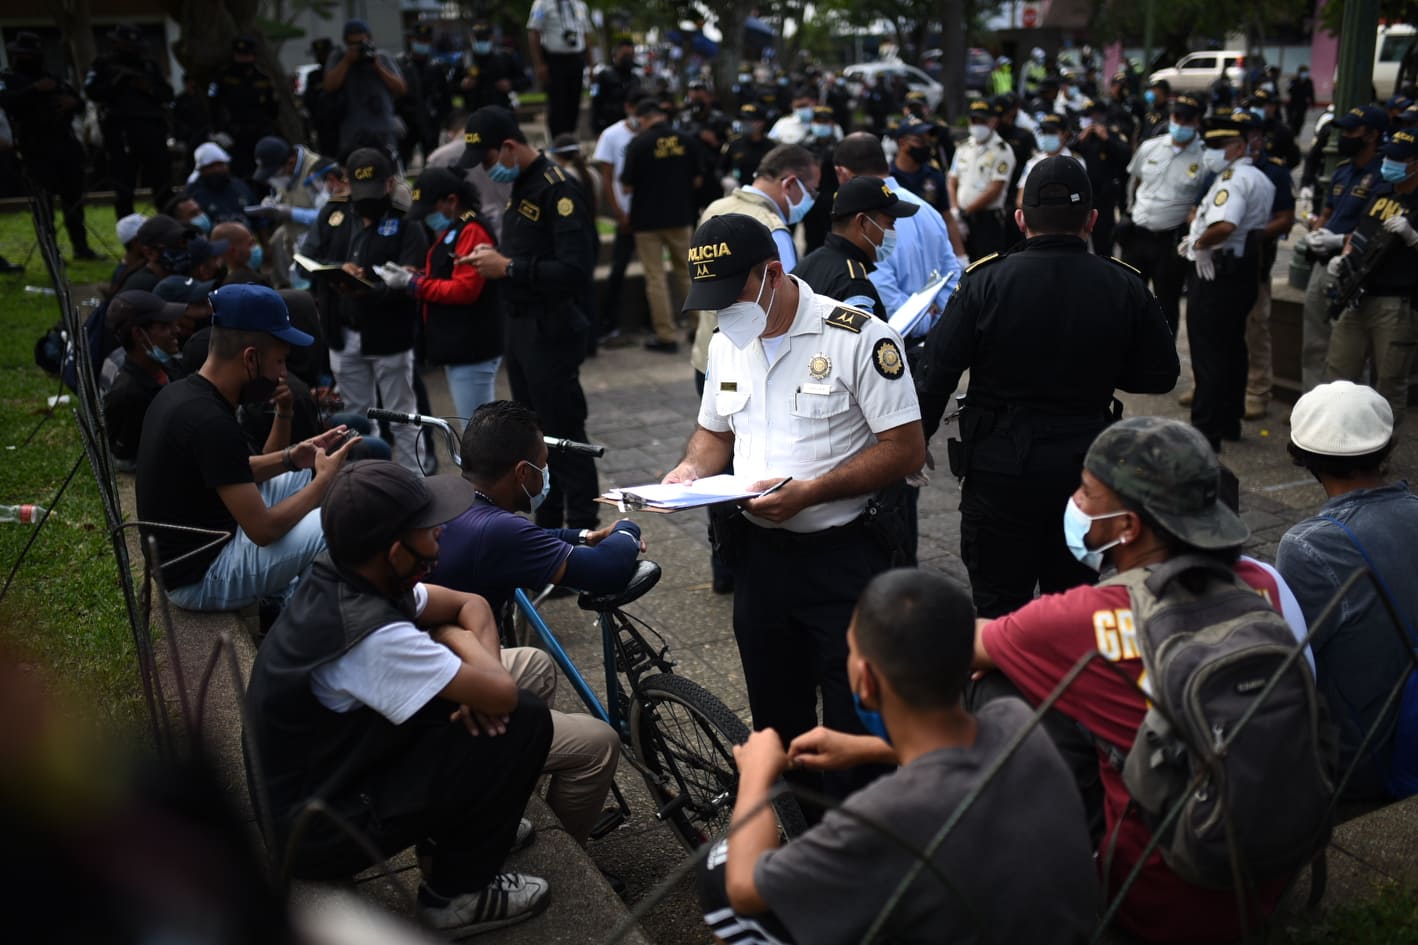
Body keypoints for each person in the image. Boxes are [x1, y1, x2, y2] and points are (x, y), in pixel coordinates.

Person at [973, 416, 1310, 943]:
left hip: (1151, 904)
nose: (1075, 503)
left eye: (1086, 493)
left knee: (994, 689)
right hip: (1268, 871)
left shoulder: (1083, 614)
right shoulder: (1257, 582)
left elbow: (962, 645)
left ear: (1128, 527)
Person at [665, 213, 925, 800]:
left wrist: (814, 491)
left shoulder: (858, 336)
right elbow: (713, 437)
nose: (721, 313)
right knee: (776, 720)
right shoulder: (731, 345)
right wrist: (687, 474)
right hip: (759, 559)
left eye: (729, 297)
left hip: (845, 559)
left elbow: (906, 450)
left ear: (771, 275)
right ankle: (802, 841)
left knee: (855, 719)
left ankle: (860, 846)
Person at [698, 568, 1099, 945]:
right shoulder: (1016, 720)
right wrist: (864, 748)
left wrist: (758, 776)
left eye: (851, 650)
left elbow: (746, 891)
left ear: (866, 680)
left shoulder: (881, 816)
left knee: (719, 875)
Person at [244, 460, 553, 937]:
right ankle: (455, 898)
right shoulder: (372, 634)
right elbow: (504, 693)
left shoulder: (350, 573)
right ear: (394, 550)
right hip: (321, 831)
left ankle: (460, 835)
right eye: (430, 533)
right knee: (524, 722)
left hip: (330, 779)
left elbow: (472, 605)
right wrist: (460, 644)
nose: (439, 542)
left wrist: (460, 645)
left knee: (465, 711)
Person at [917, 157, 1179, 618]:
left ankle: (999, 691)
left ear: (1020, 218)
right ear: (1092, 219)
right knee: (1075, 606)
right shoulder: (1124, 283)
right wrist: (1098, 365)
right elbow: (1161, 375)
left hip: (999, 470)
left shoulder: (984, 281)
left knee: (999, 612)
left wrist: (912, 444)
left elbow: (936, 372)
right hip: (1087, 470)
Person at [426, 401, 640, 846]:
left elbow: (525, 538)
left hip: (435, 667)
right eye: (543, 466)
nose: (546, 476)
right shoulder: (498, 532)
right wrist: (625, 532)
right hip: (440, 704)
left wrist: (580, 537)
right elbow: (606, 572)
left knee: (537, 666)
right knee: (599, 744)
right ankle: (556, 850)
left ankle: (507, 791)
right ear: (524, 474)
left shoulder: (454, 499)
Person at [136, 284, 359, 611]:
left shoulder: (185, 394)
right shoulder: (210, 421)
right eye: (280, 361)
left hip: (200, 547)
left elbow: (231, 470)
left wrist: (291, 457)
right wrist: (324, 480)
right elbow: (263, 530)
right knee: (338, 518)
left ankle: (288, 597)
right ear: (250, 358)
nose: (283, 373)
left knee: (308, 476)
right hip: (199, 578)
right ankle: (301, 624)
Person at [457, 106, 600, 532]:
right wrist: (498, 262)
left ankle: (583, 532)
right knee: (532, 439)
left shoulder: (558, 189)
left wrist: (511, 269)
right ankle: (549, 527)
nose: (486, 169)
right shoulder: (522, 184)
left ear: (508, 147)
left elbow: (575, 270)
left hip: (551, 329)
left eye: (487, 159)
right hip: (521, 329)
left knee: (564, 436)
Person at [1277, 382, 1417, 801]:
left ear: (1304, 459)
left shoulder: (1309, 545)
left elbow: (1294, 665)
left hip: (1368, 754)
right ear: (1386, 448)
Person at [301, 147, 428, 471]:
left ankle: (418, 483)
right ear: (347, 182)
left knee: (401, 416)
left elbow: (413, 279)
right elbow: (307, 261)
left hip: (389, 333)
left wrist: (366, 282)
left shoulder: (406, 222)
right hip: (343, 332)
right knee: (355, 420)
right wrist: (338, 269)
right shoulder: (333, 215)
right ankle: (365, 482)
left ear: (389, 184)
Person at [1179, 117, 1274, 452]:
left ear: (1237, 148)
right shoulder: (1259, 177)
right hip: (1244, 269)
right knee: (1234, 348)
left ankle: (1205, 431)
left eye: (1219, 147)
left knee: (1209, 352)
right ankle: (1230, 420)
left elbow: (1225, 225)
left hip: (1217, 273)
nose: (1212, 153)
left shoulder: (1231, 180)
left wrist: (1198, 244)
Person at [381, 166, 503, 420]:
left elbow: (464, 289)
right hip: (457, 346)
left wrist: (413, 283)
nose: (428, 218)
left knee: (477, 429)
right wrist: (416, 276)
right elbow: (446, 274)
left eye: (431, 211)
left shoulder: (472, 230)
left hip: (472, 347)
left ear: (451, 200)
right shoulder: (454, 229)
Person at [1324, 129, 1418, 424]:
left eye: (1399, 158)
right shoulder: (1382, 191)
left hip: (1395, 302)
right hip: (1357, 295)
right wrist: (1343, 257)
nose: (1389, 162)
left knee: (1389, 385)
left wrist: (1413, 237)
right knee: (1339, 375)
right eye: (1388, 155)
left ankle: (1380, 456)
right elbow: (1360, 233)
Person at [1300, 104, 1386, 393]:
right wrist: (1317, 229)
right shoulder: (1342, 171)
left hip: (1352, 269)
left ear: (1372, 135)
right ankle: (1312, 405)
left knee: (1347, 351)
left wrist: (1340, 241)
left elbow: (1378, 227)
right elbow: (1328, 210)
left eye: (1352, 131)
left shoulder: (1383, 175)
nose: (1345, 137)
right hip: (1323, 264)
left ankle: (1343, 412)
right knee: (1314, 342)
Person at [0, 32, 99, 260]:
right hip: (35, 149)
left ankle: (81, 247)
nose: (30, 58)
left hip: (65, 146)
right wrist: (35, 89)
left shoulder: (53, 77)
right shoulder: (10, 79)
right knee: (43, 205)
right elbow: (7, 102)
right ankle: (51, 251)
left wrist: (72, 103)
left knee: (73, 200)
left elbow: (79, 100)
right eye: (25, 54)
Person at [1229, 110, 1296, 421]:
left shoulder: (1274, 172)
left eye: (1248, 133)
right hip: (1219, 262)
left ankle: (1257, 390)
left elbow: (1285, 218)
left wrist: (1254, 233)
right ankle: (1215, 386)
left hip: (1255, 261)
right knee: (1217, 329)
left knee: (1255, 327)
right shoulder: (1220, 166)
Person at [1121, 93, 1206, 334]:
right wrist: (1129, 211)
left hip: (1168, 242)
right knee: (1128, 298)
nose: (1180, 123)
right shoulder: (1151, 147)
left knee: (1166, 306)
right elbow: (1134, 181)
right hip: (1136, 236)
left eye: (1187, 119)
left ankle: (1163, 361)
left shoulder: (1204, 158)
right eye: (1177, 116)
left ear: (1198, 121)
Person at [621, 98, 699, 353]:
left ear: (643, 119)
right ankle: (698, 327)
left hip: (647, 221)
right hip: (680, 216)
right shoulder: (685, 140)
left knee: (655, 278)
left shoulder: (638, 144)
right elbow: (698, 178)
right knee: (688, 274)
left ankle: (666, 335)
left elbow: (627, 185)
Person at [795, 176, 919, 322]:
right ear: (863, 222)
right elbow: (861, 344)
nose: (893, 231)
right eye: (890, 224)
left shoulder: (810, 263)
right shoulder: (854, 285)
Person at [85, 24, 173, 219]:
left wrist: (147, 88)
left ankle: (170, 233)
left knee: (163, 187)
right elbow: (92, 92)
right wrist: (116, 82)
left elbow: (167, 94)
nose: (131, 49)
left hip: (152, 130)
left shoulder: (149, 65)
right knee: (124, 190)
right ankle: (130, 241)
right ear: (116, 43)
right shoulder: (103, 65)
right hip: (120, 133)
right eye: (126, 44)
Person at [103, 292, 186, 468]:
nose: (176, 329)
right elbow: (125, 456)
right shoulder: (127, 395)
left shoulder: (171, 367)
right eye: (165, 326)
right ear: (139, 334)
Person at [592, 93, 644, 344]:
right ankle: (609, 323)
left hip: (652, 216)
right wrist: (617, 211)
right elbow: (607, 176)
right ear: (628, 106)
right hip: (626, 213)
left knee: (653, 273)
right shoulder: (612, 136)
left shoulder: (652, 132)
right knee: (618, 268)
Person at [247, 137, 334, 287]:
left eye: (274, 174)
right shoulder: (286, 174)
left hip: (324, 250)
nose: (273, 179)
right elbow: (284, 195)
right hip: (297, 248)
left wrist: (291, 213)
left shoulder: (317, 170)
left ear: (291, 162)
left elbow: (331, 215)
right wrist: (273, 204)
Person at [322, 19, 406, 157]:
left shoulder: (382, 57)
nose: (358, 48)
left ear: (369, 38)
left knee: (387, 169)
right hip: (353, 132)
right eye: (353, 44)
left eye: (361, 43)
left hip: (383, 128)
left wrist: (378, 68)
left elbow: (401, 88)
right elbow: (329, 86)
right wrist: (347, 61)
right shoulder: (339, 57)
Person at [948, 99, 1017, 260]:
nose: (977, 125)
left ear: (994, 122)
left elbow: (995, 188)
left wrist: (966, 213)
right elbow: (951, 180)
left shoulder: (1002, 150)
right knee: (963, 265)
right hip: (959, 217)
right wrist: (955, 211)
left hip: (987, 220)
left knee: (988, 265)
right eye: (974, 120)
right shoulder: (963, 147)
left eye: (982, 121)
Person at [207, 36, 279, 182]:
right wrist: (218, 130)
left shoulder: (262, 78)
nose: (244, 60)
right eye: (240, 56)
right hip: (234, 134)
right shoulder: (223, 77)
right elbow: (213, 106)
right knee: (240, 172)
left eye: (247, 56)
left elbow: (273, 108)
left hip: (259, 132)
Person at [1072, 99, 1131, 256]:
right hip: (1082, 197)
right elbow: (1069, 149)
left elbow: (1125, 155)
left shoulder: (1112, 134)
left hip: (1104, 197)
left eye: (1093, 116)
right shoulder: (1083, 136)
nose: (1089, 121)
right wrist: (1080, 138)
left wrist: (1106, 138)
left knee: (1104, 242)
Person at [527, 0, 593, 139]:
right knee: (558, 104)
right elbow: (534, 33)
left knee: (574, 102)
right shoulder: (542, 4)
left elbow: (586, 35)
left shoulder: (579, 5)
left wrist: (591, 64)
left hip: (576, 58)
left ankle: (570, 140)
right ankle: (558, 141)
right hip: (554, 60)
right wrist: (539, 65)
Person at [396, 23, 453, 169]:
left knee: (432, 162)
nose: (422, 44)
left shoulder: (435, 66)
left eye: (425, 41)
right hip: (406, 121)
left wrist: (445, 122)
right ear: (411, 40)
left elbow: (446, 97)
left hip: (430, 122)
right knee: (401, 163)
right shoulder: (401, 64)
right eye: (419, 40)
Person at [1014, 114, 1081, 208]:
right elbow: (1020, 200)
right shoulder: (1033, 162)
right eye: (1044, 132)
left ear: (1065, 133)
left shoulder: (1076, 162)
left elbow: (1078, 197)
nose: (1046, 136)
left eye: (1052, 132)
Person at [185, 143, 256, 228]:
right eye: (210, 166)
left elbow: (259, 220)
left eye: (220, 164)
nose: (216, 169)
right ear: (201, 169)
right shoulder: (193, 193)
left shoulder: (241, 187)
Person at [889, 121, 949, 216]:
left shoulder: (935, 176)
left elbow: (947, 216)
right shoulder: (887, 177)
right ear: (902, 143)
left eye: (929, 141)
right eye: (920, 141)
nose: (926, 146)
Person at [591, 38, 641, 133]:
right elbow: (594, 100)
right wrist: (596, 127)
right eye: (625, 55)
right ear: (616, 54)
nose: (628, 58)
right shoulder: (602, 76)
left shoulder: (635, 79)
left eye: (630, 55)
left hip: (630, 127)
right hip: (608, 125)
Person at [721, 103, 775, 187]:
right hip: (738, 190)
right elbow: (720, 168)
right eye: (742, 120)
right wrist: (726, 180)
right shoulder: (734, 144)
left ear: (761, 123)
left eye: (749, 121)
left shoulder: (771, 147)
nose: (744, 124)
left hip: (763, 191)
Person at [1287, 65, 1316, 140]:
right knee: (1291, 120)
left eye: (1306, 72)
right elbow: (1289, 90)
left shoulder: (1309, 81)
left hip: (1302, 105)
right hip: (1293, 104)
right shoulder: (1294, 80)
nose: (1305, 74)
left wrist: (1313, 103)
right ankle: (1291, 134)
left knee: (1300, 120)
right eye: (1303, 72)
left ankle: (1297, 134)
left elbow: (1311, 93)